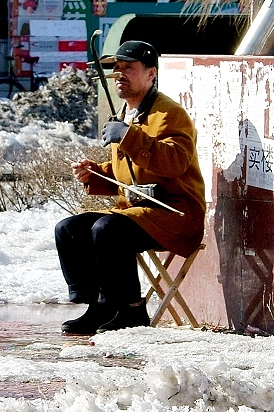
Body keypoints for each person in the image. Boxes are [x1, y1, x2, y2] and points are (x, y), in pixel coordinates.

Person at [55, 40, 206, 335]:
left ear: (151, 74)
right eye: (117, 68)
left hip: (174, 214)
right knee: (69, 228)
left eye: (129, 68)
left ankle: (132, 310)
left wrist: (128, 136)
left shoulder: (170, 114)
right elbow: (130, 173)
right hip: (139, 211)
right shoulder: (126, 113)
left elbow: (174, 163)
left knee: (108, 229)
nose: (119, 74)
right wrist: (94, 174)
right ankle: (100, 305)